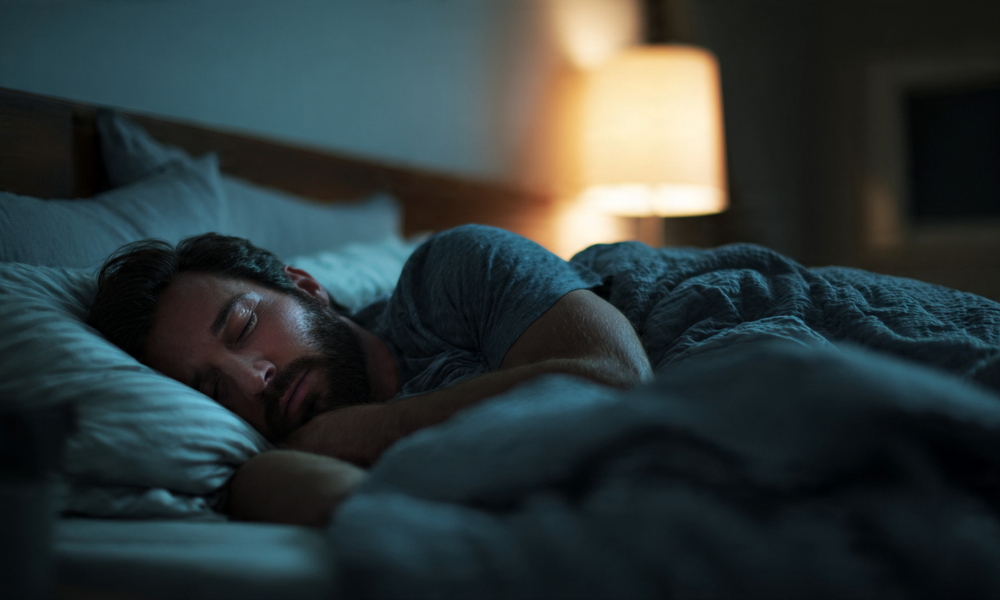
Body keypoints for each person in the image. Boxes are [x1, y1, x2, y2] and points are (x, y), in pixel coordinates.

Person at [88, 225, 654, 526]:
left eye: (241, 328)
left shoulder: (452, 271)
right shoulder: (275, 460)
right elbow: (391, 532)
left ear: (306, 288)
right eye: (212, 389)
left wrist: (372, 427)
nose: (252, 380)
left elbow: (616, 381)